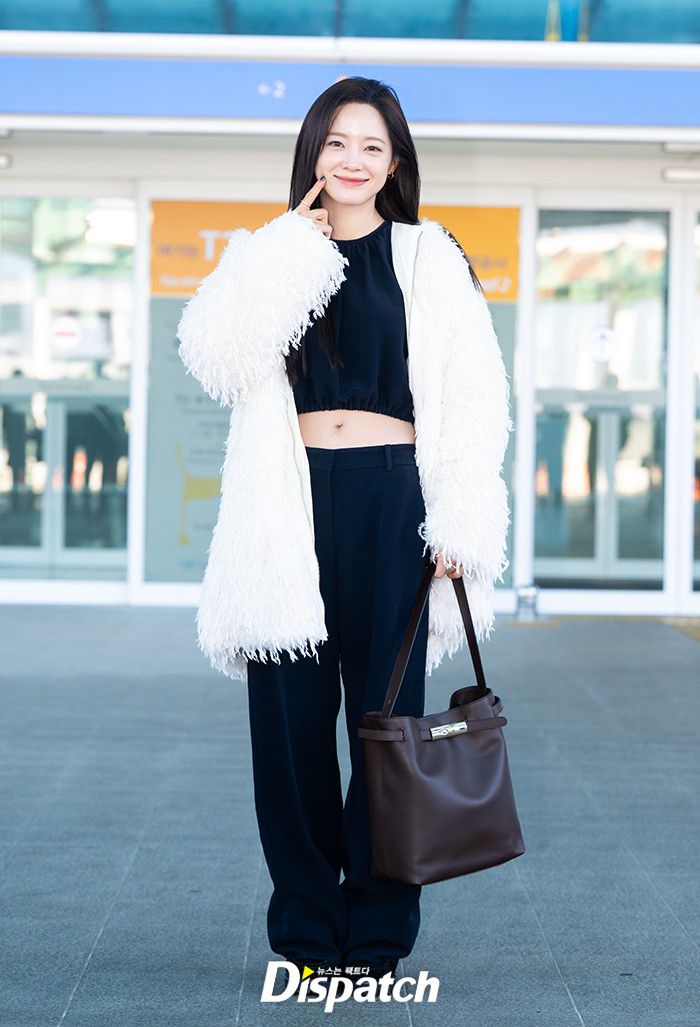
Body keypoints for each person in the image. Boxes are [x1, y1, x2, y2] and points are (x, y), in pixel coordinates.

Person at [176, 76, 513, 984]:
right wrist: (287, 250)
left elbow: (474, 395)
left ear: (395, 163)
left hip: (392, 497)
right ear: (313, 153)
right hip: (286, 503)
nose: (353, 160)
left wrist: (459, 517)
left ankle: (378, 929)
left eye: (371, 145)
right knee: (287, 730)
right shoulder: (271, 255)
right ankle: (306, 925)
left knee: (384, 722)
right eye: (336, 142)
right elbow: (217, 354)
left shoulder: (426, 255)